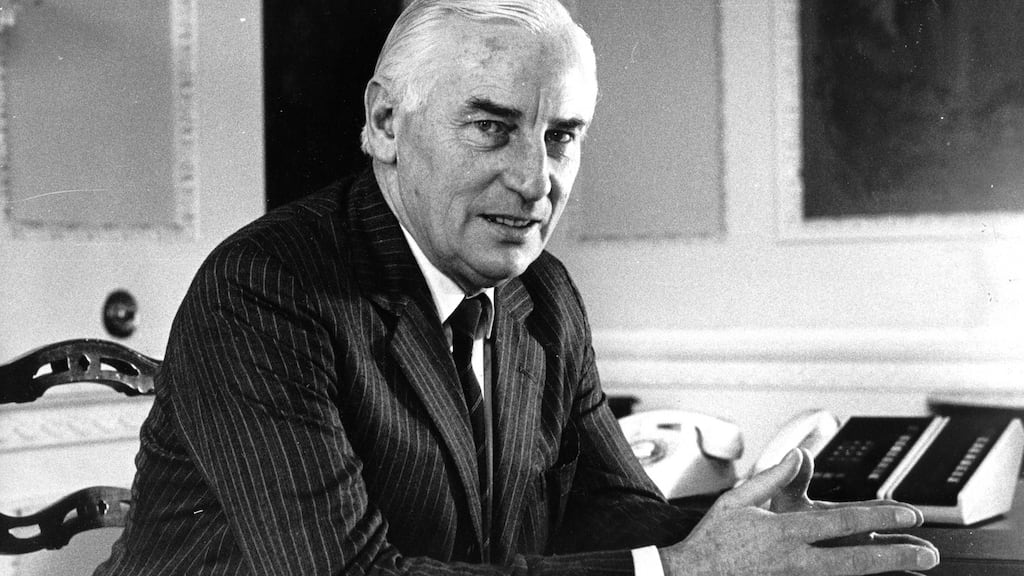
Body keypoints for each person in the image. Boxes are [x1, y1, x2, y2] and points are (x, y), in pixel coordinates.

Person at [95, 0, 940, 574]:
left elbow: (615, 514)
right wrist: (679, 569)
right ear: (386, 123)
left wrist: (751, 536)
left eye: (562, 136)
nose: (536, 180)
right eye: (493, 127)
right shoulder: (267, 292)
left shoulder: (543, 297)